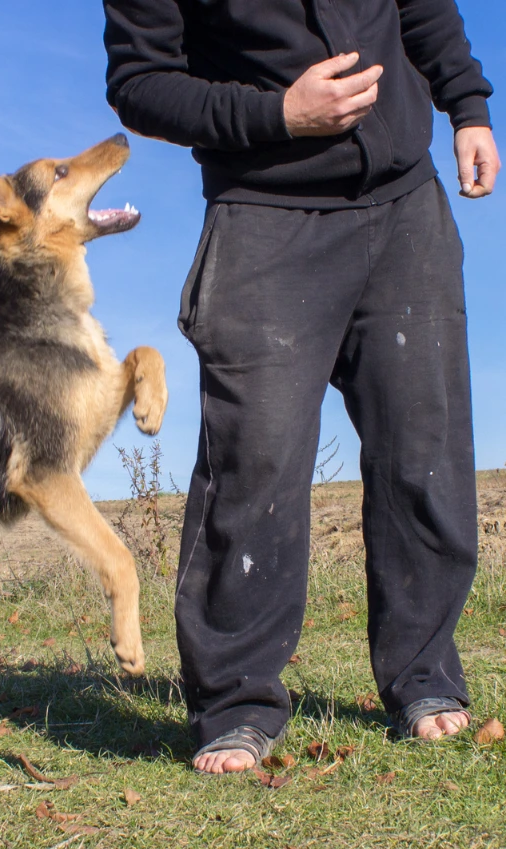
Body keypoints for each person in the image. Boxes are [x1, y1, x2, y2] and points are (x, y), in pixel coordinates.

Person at [102, 0, 500, 774]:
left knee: (425, 447)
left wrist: (468, 107)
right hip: (263, 216)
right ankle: (236, 702)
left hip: (405, 203)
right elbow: (141, 84)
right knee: (255, 462)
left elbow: (421, 7)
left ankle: (424, 678)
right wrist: (280, 113)